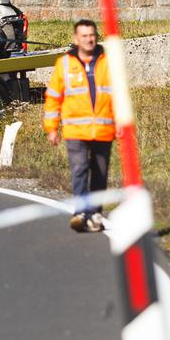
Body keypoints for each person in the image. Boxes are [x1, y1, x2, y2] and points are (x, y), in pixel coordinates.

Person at [44, 18, 115, 232]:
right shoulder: (64, 64)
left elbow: (118, 96)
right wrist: (51, 128)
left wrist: (121, 122)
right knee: (80, 169)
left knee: (100, 173)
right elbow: (53, 97)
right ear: (76, 39)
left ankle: (94, 214)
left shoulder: (108, 62)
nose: (89, 39)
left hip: (103, 129)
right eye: (84, 36)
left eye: (92, 35)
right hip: (76, 130)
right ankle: (81, 212)